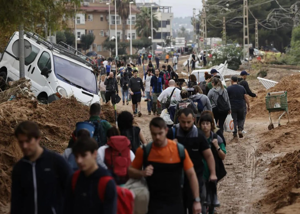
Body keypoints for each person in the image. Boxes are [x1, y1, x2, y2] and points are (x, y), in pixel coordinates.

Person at [128, 117, 202, 214]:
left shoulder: (178, 150)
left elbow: (191, 175)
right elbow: (130, 171)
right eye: (154, 134)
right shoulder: (144, 151)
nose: (157, 137)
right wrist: (142, 173)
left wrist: (196, 200)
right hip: (152, 203)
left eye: (160, 133)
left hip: (175, 202)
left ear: (166, 131)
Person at [11, 121, 72, 214]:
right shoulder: (19, 168)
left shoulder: (56, 162)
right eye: (21, 142)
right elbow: (16, 202)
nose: (24, 146)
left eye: (28, 141)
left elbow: (73, 191)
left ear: (38, 138)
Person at [167, 108, 217, 214]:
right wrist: (171, 145)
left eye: (188, 122)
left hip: (196, 176)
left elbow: (208, 155)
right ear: (178, 119)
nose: (186, 125)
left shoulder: (199, 135)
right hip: (176, 178)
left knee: (196, 206)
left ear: (193, 120)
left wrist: (212, 173)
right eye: (183, 122)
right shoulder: (172, 133)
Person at [64, 137, 117, 214]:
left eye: (83, 155)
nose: (79, 160)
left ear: (94, 154)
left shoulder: (106, 182)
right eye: (76, 156)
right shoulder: (73, 179)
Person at [199, 113, 226, 214]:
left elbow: (223, 156)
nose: (205, 126)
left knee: (210, 197)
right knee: (202, 196)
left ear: (211, 125)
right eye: (203, 124)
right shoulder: (197, 137)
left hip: (212, 172)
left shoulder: (216, 138)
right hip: (200, 172)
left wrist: (217, 147)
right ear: (200, 125)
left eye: (207, 123)